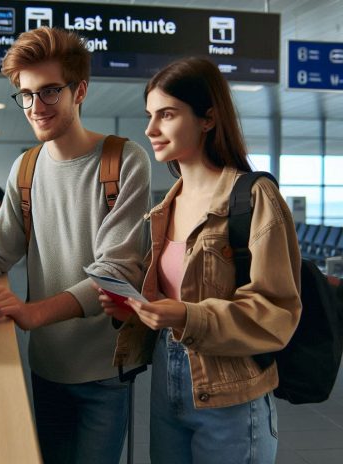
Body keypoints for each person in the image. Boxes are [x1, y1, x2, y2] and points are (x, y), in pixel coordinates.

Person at [0, 26, 150, 464]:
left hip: (104, 370)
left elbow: (117, 272)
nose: (35, 107)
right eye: (25, 95)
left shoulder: (124, 161)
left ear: (79, 90)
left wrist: (34, 312)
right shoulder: (25, 168)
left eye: (49, 92)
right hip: (46, 365)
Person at [97, 57, 302, 464]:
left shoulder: (255, 199)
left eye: (167, 115)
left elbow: (276, 314)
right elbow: (174, 296)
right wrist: (134, 307)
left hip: (230, 396)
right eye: (149, 116)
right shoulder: (163, 208)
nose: (150, 129)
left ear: (208, 118)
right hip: (166, 386)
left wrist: (186, 317)